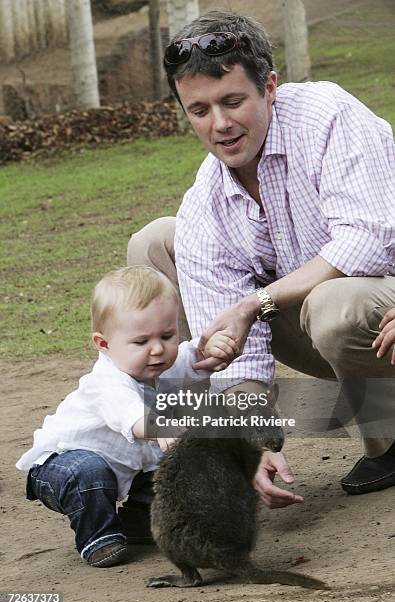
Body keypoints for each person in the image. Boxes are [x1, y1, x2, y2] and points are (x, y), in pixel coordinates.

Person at [127, 10, 395, 509]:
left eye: (233, 102)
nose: (220, 125)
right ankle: (204, 451)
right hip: (326, 331)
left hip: (379, 304)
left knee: (333, 302)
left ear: (269, 86)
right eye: (199, 110)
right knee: (156, 242)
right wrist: (251, 437)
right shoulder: (207, 197)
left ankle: (390, 434)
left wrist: (255, 303)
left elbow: (368, 242)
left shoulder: (326, 115)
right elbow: (233, 347)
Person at [16, 266, 236, 567]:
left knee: (172, 465)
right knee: (90, 471)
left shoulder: (161, 363)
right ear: (104, 344)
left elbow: (191, 358)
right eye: (141, 342)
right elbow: (128, 412)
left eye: (167, 335)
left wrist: (210, 349)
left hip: (126, 467)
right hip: (62, 467)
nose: (158, 349)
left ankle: (139, 521)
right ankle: (98, 536)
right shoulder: (107, 381)